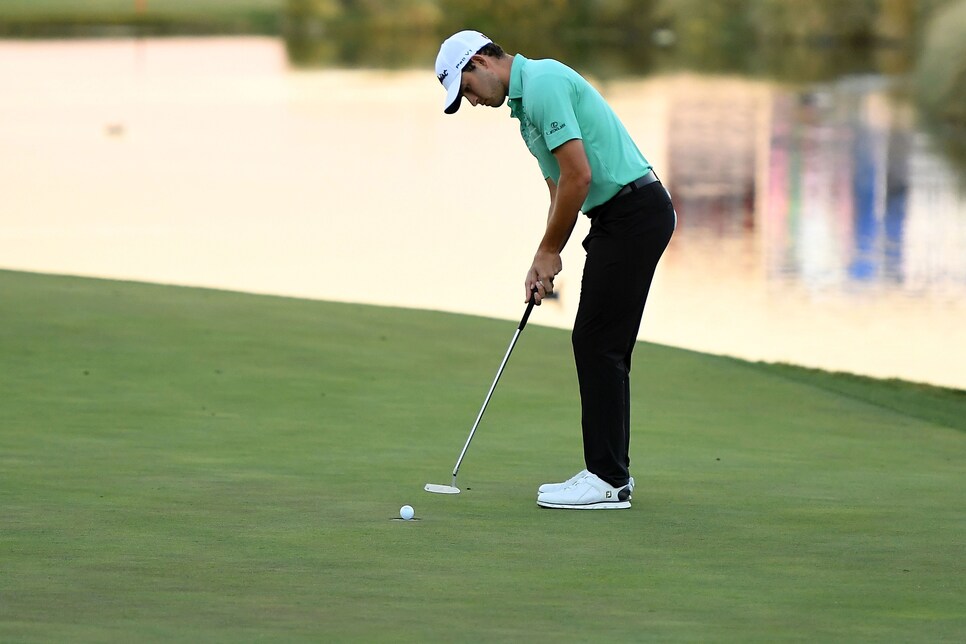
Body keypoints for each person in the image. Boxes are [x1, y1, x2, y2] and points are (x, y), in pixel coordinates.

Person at [435, 31, 675, 510]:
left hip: (634, 212)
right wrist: (543, 257)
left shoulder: (542, 83)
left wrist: (550, 249)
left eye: (467, 88)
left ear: (481, 61)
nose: (471, 100)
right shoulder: (524, 114)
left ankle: (607, 480)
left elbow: (580, 175)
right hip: (617, 219)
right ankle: (612, 477)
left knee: (597, 342)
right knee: (600, 342)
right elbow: (560, 188)